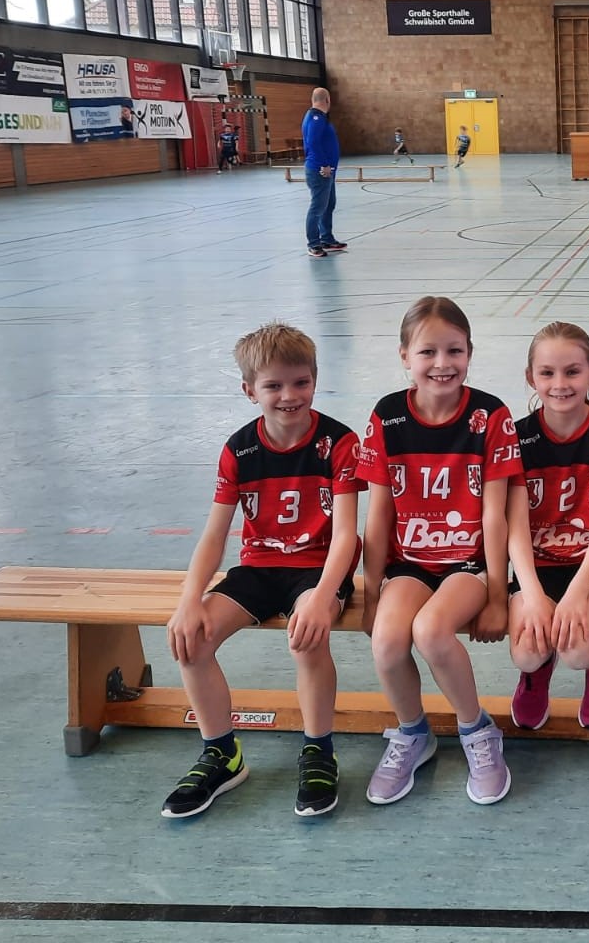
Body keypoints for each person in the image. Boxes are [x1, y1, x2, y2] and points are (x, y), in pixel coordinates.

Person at [160, 322, 364, 820]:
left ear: (315, 380)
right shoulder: (240, 450)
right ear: (250, 390)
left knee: (307, 638)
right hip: (260, 565)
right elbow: (214, 536)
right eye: (274, 385)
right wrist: (189, 601)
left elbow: (346, 535)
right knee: (193, 639)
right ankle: (221, 753)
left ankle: (319, 750)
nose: (289, 396)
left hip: (318, 568)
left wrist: (324, 595)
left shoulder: (338, 442)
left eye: (300, 382)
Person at [357, 296, 523, 806]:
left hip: (469, 564)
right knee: (387, 640)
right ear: (405, 356)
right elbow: (379, 515)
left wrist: (497, 596)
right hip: (410, 563)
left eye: (455, 350)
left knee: (430, 630)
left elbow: (495, 516)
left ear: (470, 353)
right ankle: (413, 733)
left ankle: (476, 729)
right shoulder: (387, 416)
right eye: (427, 351)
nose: (442, 363)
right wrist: (371, 593)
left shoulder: (490, 415)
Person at [507, 322, 589, 733]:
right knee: (527, 652)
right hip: (538, 566)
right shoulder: (517, 437)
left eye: (572, 371)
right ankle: (535, 672)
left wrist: (577, 593)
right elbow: (514, 526)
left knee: (577, 649)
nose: (560, 384)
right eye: (547, 373)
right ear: (531, 377)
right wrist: (531, 593)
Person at [303, 87, 345, 257]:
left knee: (329, 204)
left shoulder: (320, 118)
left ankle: (326, 238)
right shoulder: (315, 118)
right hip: (320, 170)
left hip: (328, 172)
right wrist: (324, 165)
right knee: (317, 207)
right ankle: (313, 244)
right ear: (327, 100)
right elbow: (313, 142)